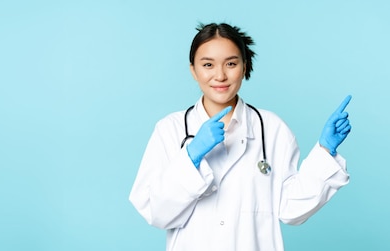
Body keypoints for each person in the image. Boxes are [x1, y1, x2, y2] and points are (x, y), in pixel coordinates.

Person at [128, 23, 352, 251]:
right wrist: (191, 157)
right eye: (208, 65)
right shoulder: (170, 130)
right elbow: (156, 212)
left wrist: (326, 151)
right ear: (193, 70)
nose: (220, 75)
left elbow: (291, 209)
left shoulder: (272, 129)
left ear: (245, 67)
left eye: (231, 64)